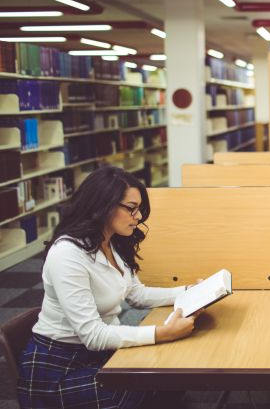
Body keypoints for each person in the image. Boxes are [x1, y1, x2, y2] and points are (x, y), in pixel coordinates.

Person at [17, 166, 199, 409]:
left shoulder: (110, 241)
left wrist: (190, 292)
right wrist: (161, 333)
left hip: (98, 352)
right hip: (58, 368)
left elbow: (137, 294)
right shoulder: (68, 253)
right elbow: (93, 335)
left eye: (139, 209)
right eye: (131, 208)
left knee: (168, 375)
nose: (138, 217)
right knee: (147, 385)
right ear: (103, 205)